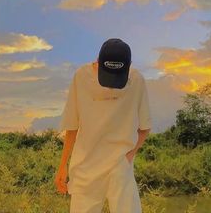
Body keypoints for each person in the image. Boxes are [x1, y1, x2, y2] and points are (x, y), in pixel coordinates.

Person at [55, 38, 152, 213]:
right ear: (98, 62)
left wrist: (130, 155)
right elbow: (72, 126)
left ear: (129, 65)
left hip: (117, 165)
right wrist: (62, 167)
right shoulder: (81, 77)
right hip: (86, 166)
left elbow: (145, 127)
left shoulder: (136, 80)